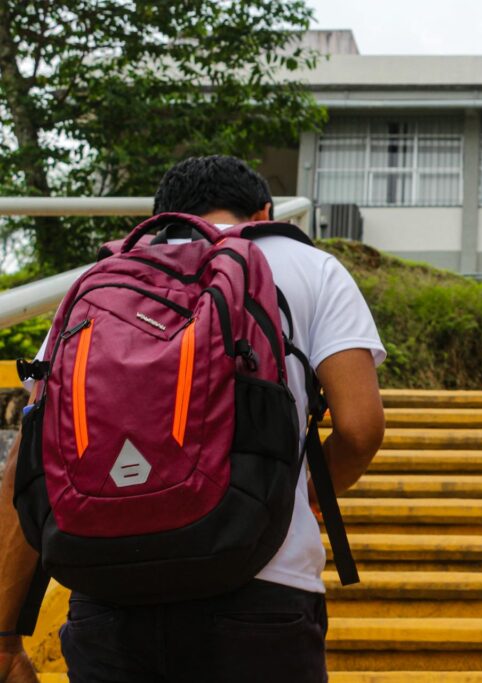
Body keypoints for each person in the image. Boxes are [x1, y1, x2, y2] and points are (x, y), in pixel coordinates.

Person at [0, 155, 386, 683]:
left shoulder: (100, 281)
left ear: (161, 218)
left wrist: (3, 636)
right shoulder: (309, 267)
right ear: (266, 212)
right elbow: (361, 428)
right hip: (260, 589)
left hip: (107, 595)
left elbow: (30, 456)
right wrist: (302, 496)